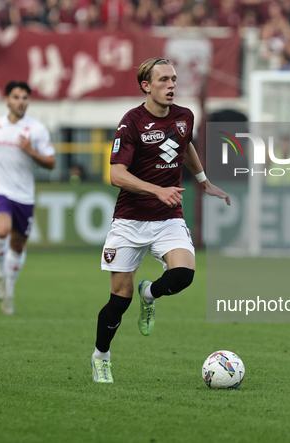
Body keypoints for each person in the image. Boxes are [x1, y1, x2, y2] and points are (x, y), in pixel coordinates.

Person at [90, 57, 230, 383]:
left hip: (168, 217)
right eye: (164, 80)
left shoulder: (184, 117)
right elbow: (116, 174)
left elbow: (185, 144)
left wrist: (203, 180)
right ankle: (101, 355)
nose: (171, 86)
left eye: (174, 80)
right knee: (118, 301)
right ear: (146, 85)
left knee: (184, 274)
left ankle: (150, 293)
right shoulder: (131, 123)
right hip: (129, 220)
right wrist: (156, 190)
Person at [0, 81, 56, 314]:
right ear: (7, 100)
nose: (21, 102)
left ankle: (8, 290)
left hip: (24, 195)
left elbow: (51, 163)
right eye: (16, 97)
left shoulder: (37, 129)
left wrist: (31, 151)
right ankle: (0, 274)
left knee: (18, 245)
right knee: (1, 231)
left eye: (25, 98)